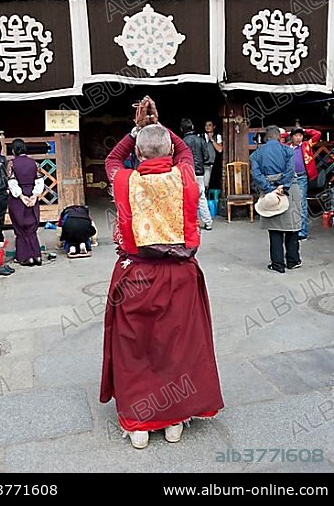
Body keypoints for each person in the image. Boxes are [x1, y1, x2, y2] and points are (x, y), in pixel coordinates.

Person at [100, 96, 224, 450]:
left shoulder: (125, 181)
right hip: (180, 275)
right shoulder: (186, 176)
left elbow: (111, 158)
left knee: (134, 347)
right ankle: (174, 419)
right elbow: (184, 150)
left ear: (138, 155)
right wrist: (158, 125)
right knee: (177, 346)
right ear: (169, 151)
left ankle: (139, 423)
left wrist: (138, 129)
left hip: (136, 276)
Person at [250, 125, 302, 274]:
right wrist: (283, 186)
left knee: (274, 229)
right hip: (289, 189)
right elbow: (290, 170)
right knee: (292, 227)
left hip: (270, 192)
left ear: (266, 138)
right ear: (279, 137)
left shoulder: (257, 154)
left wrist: (269, 188)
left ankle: (277, 264)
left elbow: (256, 174)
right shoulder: (287, 150)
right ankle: (293, 261)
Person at [7, 139, 44, 267]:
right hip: (32, 194)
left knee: (20, 227)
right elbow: (40, 180)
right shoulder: (34, 163)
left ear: (13, 150)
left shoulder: (11, 164)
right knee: (31, 226)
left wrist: (21, 196)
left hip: (18, 197)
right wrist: (34, 196)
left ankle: (25, 257)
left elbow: (11, 182)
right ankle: (37, 255)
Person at [284, 126, 321, 241]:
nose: (299, 138)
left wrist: (304, 130)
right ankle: (291, 229)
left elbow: (317, 134)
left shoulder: (306, 145)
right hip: (289, 178)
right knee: (289, 204)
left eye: (300, 135)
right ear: (292, 137)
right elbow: (277, 137)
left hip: (302, 177)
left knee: (302, 205)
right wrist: (288, 133)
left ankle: (303, 232)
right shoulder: (286, 147)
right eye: (296, 135)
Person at [180, 118, 213, 230]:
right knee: (201, 197)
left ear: (181, 129)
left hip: (186, 173)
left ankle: (191, 223)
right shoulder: (200, 140)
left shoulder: (182, 142)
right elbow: (207, 157)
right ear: (192, 128)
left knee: (187, 198)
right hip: (199, 173)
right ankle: (208, 222)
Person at [200, 120, 223, 195]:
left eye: (210, 125)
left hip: (213, 165)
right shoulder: (200, 136)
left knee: (212, 185)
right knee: (203, 185)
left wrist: (212, 140)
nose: (207, 127)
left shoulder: (217, 136)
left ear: (214, 127)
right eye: (206, 125)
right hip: (202, 164)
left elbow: (220, 149)